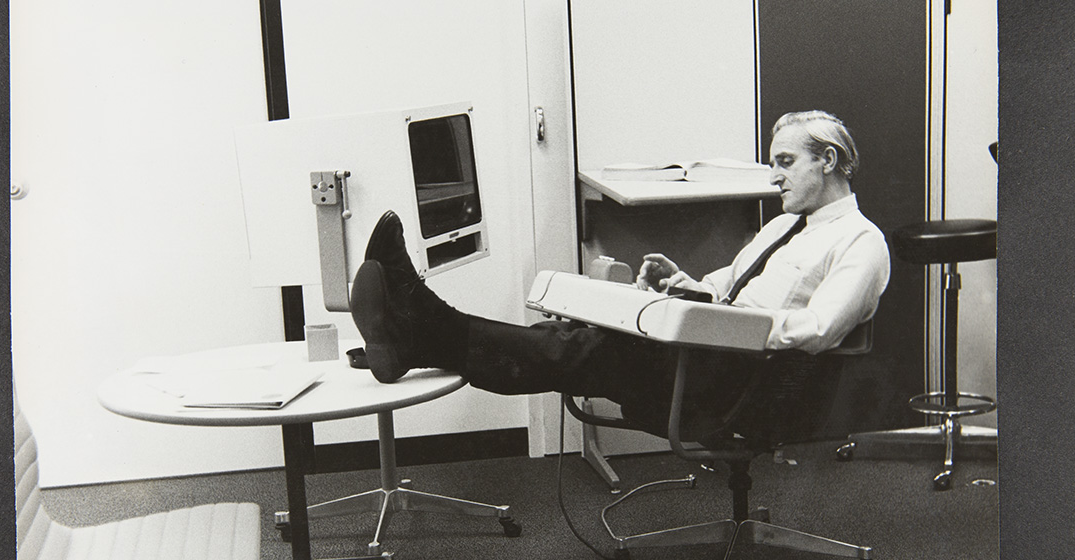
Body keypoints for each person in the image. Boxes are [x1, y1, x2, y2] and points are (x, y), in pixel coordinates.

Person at [349, 110, 890, 433]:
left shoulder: (861, 243)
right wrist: (689, 287)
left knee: (583, 348)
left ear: (828, 160)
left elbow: (819, 330)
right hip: (710, 347)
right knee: (577, 332)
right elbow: (727, 285)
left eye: (785, 162)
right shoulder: (784, 225)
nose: (774, 176)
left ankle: (421, 325)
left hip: (746, 381)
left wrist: (725, 325)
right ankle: (417, 337)